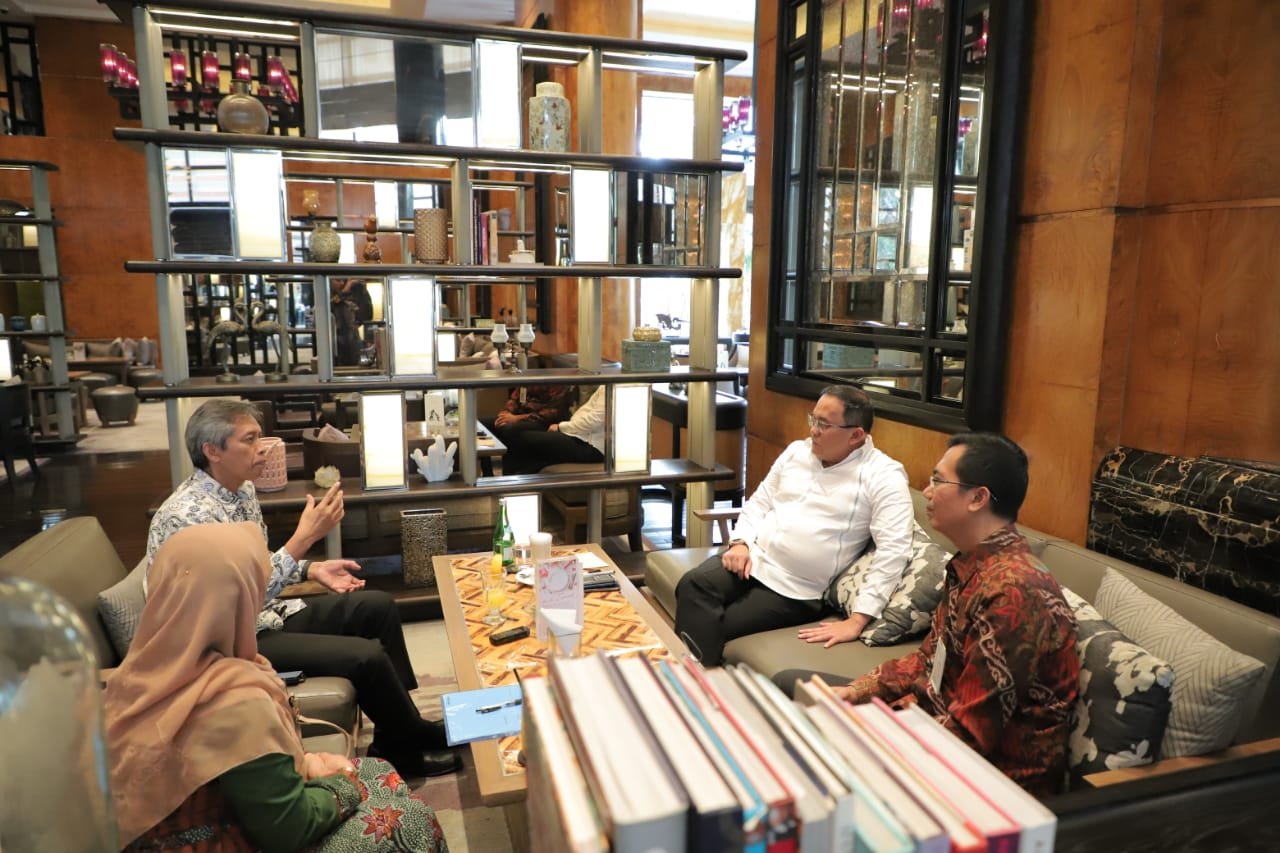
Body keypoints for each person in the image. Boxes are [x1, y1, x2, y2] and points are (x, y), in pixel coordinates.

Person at [147, 399, 461, 778]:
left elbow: (255, 564)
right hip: (225, 645)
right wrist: (303, 541)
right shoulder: (188, 516)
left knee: (376, 607)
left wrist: (311, 567)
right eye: (249, 440)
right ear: (212, 451)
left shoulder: (240, 491)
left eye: (260, 437)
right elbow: (234, 601)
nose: (263, 448)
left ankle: (400, 733)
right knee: (365, 656)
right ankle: (407, 750)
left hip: (262, 617)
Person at [106, 523, 449, 852]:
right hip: (223, 839)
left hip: (182, 827)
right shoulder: (233, 700)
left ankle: (406, 739)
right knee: (411, 820)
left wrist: (307, 764)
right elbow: (291, 830)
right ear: (235, 600)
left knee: (378, 769)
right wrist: (342, 786)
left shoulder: (135, 675)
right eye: (256, 587)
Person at [775, 433, 1080, 796]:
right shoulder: (971, 566)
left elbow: (971, 736)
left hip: (985, 780)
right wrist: (856, 692)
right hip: (931, 721)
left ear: (978, 498)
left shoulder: (1013, 592)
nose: (927, 491)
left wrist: (873, 740)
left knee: (822, 753)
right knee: (792, 685)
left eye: (938, 480)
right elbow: (927, 661)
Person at [674, 386, 914, 666]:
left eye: (824, 425)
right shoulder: (797, 452)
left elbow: (894, 550)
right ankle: (687, 677)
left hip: (795, 589)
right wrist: (740, 543)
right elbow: (759, 502)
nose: (814, 431)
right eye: (813, 419)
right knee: (692, 584)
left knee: (716, 624)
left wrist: (858, 620)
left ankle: (690, 682)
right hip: (753, 559)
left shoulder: (883, 476)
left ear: (856, 435)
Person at [500, 385, 605, 475]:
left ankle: (513, 481)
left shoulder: (609, 387)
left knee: (521, 436)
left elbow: (593, 421)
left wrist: (561, 427)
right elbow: (516, 397)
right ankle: (514, 479)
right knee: (517, 434)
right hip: (579, 435)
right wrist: (508, 411)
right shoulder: (604, 387)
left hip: (590, 444)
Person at [480, 384, 574, 448]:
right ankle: (486, 468)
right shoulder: (528, 377)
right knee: (481, 424)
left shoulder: (557, 383)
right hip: (519, 416)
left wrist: (517, 418)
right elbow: (515, 399)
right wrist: (506, 413)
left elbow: (552, 413)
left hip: (543, 421)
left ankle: (511, 468)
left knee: (509, 428)